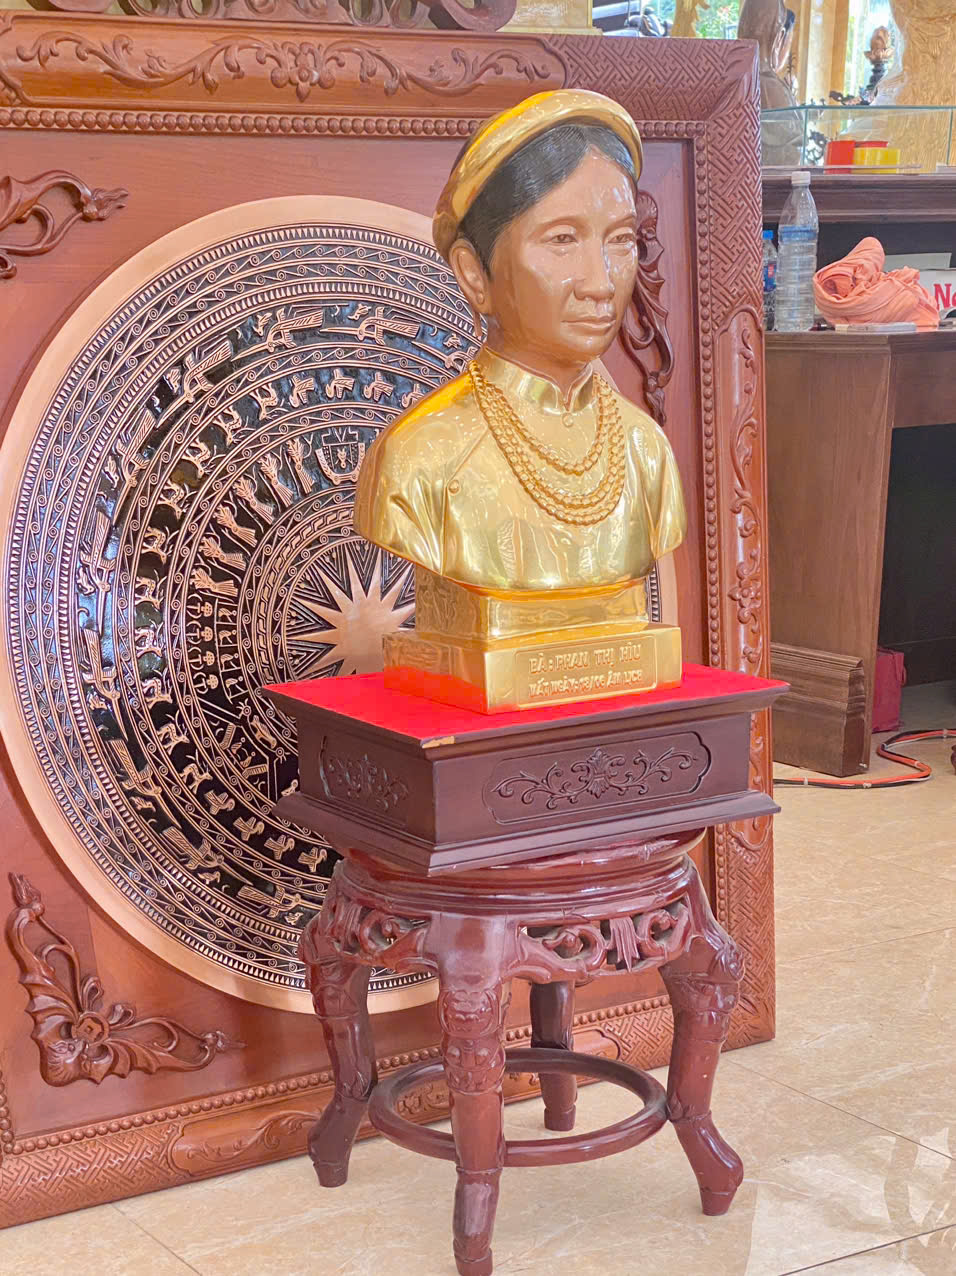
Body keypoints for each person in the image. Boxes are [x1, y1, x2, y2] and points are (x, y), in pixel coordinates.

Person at [354, 90, 685, 604]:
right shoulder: (420, 458)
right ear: (474, 274)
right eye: (562, 240)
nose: (601, 283)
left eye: (621, 240)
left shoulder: (646, 450)